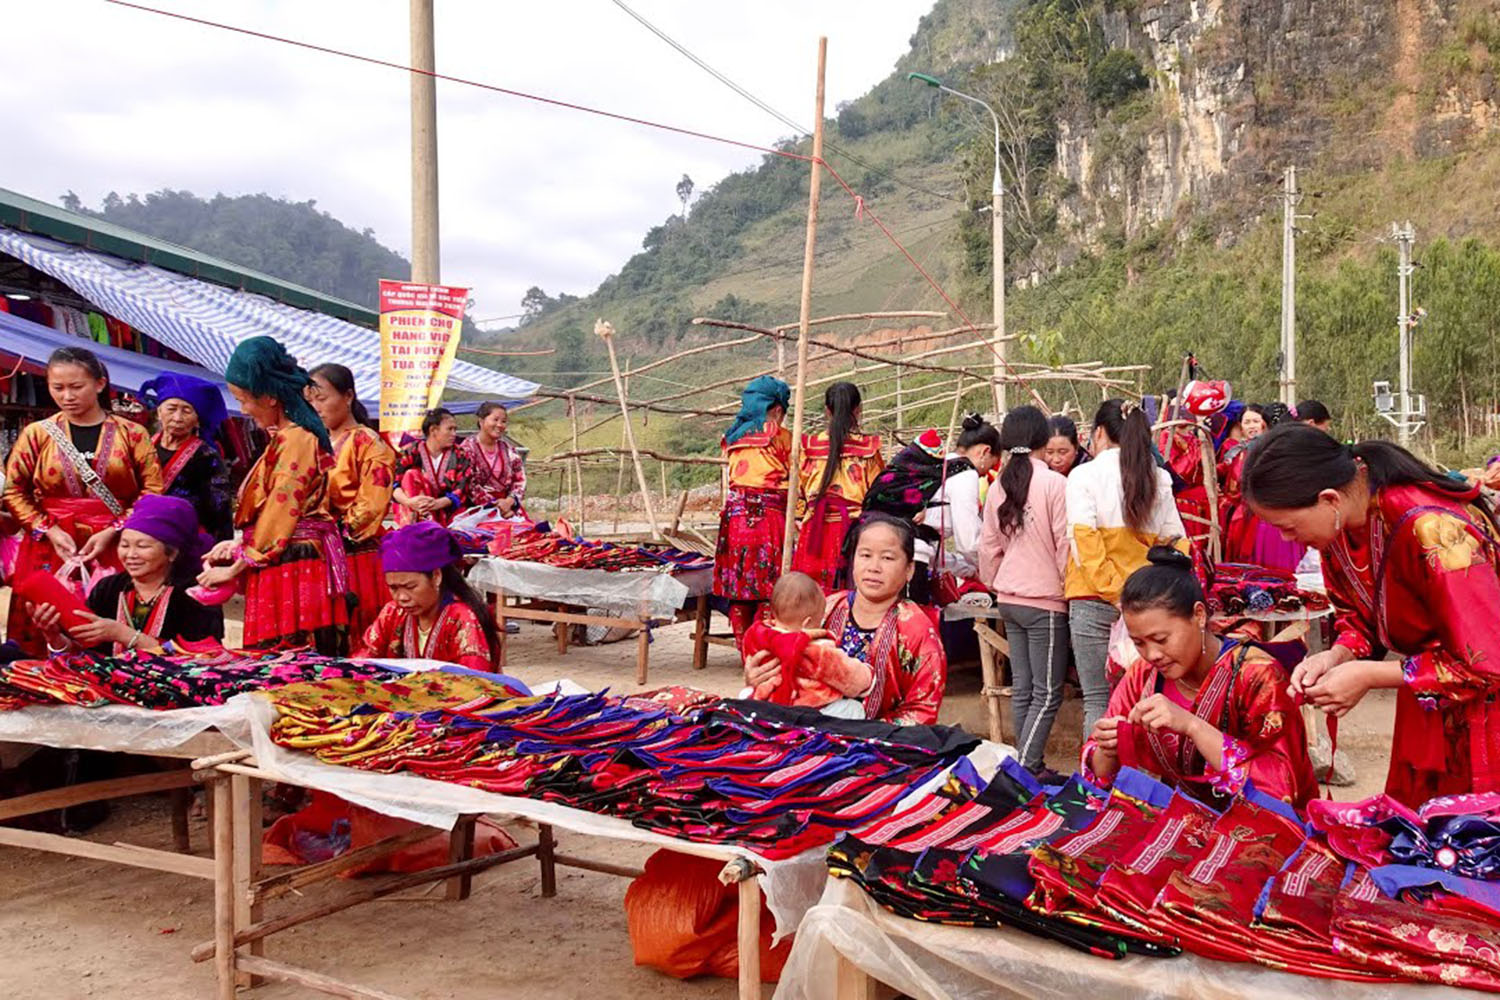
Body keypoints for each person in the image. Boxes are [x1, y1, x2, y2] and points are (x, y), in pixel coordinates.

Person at [1242, 423, 1500, 806]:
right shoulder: (1341, 528)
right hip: (1428, 704)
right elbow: (1359, 619)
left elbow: (1488, 663)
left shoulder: (1433, 528)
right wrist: (1337, 656)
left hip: (1485, 716)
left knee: (1472, 842)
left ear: (1329, 498)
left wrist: (1371, 675)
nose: (1286, 540)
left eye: (1289, 527)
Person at [1082, 547, 1317, 808]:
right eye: (1138, 643)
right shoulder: (1143, 676)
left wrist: (1193, 727)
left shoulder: (1258, 675)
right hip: (1183, 822)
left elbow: (1281, 788)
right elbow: (1098, 777)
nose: (1152, 654)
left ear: (1199, 615)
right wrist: (1107, 747)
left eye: (1161, 639)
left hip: (1261, 831)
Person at [2, 347, 163, 654]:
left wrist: (115, 530)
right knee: (42, 622)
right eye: (57, 388)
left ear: (100, 384)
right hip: (49, 545)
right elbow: (14, 491)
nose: (67, 396)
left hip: (115, 545)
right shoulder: (37, 434)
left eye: (77, 387)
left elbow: (153, 491)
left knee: (106, 620)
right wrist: (47, 528)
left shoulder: (133, 433)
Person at [198, 336, 349, 655]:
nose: (243, 410)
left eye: (244, 399)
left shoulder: (295, 440)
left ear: (268, 398)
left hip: (291, 565)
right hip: (285, 557)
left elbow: (282, 512)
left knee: (286, 667)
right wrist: (240, 542)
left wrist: (237, 565)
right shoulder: (287, 438)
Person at [747, 514, 946, 725]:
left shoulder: (919, 632)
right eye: (865, 555)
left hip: (871, 740)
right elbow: (777, 648)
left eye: (887, 558)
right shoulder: (824, 608)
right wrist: (757, 676)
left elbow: (922, 711)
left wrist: (861, 733)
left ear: (909, 569)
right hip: (798, 724)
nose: (874, 567)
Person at [1065, 398, 1187, 737]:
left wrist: (1118, 594)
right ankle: (1141, 782)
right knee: (1145, 697)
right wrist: (1139, 595)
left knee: (1096, 700)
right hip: (1147, 605)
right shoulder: (1159, 478)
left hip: (1092, 599)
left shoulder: (1083, 476)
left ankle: (1096, 784)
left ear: (1099, 433)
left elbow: (1085, 546)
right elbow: (1177, 544)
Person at [978, 405, 1070, 775]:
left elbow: (988, 546)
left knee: (1025, 688)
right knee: (1048, 692)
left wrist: (995, 581)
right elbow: (1065, 543)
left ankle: (1027, 761)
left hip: (1009, 598)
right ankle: (1025, 768)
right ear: (1043, 439)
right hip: (1045, 601)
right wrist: (1067, 585)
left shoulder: (999, 485)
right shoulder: (1054, 484)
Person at [32, 495, 224, 655]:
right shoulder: (108, 588)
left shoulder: (197, 595)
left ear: (172, 553)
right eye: (124, 545)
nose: (130, 555)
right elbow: (84, 655)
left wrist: (124, 635)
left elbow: (202, 658)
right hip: (108, 689)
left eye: (142, 546)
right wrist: (54, 637)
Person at [308, 363, 396, 640]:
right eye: (309, 402)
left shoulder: (370, 445)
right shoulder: (312, 442)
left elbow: (372, 505)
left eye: (321, 399)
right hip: (313, 554)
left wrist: (332, 536)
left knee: (354, 638)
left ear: (348, 396)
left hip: (354, 558)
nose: (315, 408)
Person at [353, 521, 502, 671]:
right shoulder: (392, 612)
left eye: (410, 587)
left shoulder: (462, 618)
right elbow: (363, 662)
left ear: (436, 576)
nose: (401, 597)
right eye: (393, 588)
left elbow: (474, 681)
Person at [713, 376, 792, 643]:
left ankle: (744, 647)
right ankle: (766, 645)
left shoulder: (733, 437)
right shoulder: (782, 437)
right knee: (771, 585)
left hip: (735, 519)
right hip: (769, 518)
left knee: (740, 587)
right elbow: (799, 480)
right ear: (778, 409)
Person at [792, 382, 885, 591]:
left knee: (811, 591)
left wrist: (800, 517)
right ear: (858, 410)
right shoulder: (868, 449)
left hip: (815, 530)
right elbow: (878, 492)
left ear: (827, 410)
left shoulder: (810, 447)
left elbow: (797, 491)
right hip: (856, 529)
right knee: (854, 590)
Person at [744, 571, 869, 719]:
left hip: (767, 706)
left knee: (747, 695)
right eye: (820, 619)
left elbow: (749, 661)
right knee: (853, 708)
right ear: (807, 623)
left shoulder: (756, 635)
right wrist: (867, 674)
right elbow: (848, 675)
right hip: (808, 712)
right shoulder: (815, 649)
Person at [140, 372, 233, 542]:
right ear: (159, 412)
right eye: (171, 408)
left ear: (198, 420)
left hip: (185, 539)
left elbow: (220, 510)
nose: (177, 418)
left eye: (186, 411)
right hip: (142, 535)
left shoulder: (207, 457)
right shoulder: (143, 446)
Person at [391, 408, 476, 527]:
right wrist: (409, 502)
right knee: (411, 474)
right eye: (449, 429)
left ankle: (434, 529)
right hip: (416, 508)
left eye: (455, 429)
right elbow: (394, 484)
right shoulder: (412, 451)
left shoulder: (460, 454)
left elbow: (461, 489)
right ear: (433, 430)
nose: (454, 434)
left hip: (448, 510)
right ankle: (416, 528)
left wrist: (436, 504)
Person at [460, 402, 527, 517]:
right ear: (481, 421)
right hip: (476, 509)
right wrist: (496, 507)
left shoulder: (509, 450)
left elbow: (520, 480)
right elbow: (468, 484)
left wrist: (509, 501)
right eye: (495, 420)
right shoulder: (467, 449)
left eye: (503, 421)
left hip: (509, 509)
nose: (500, 425)